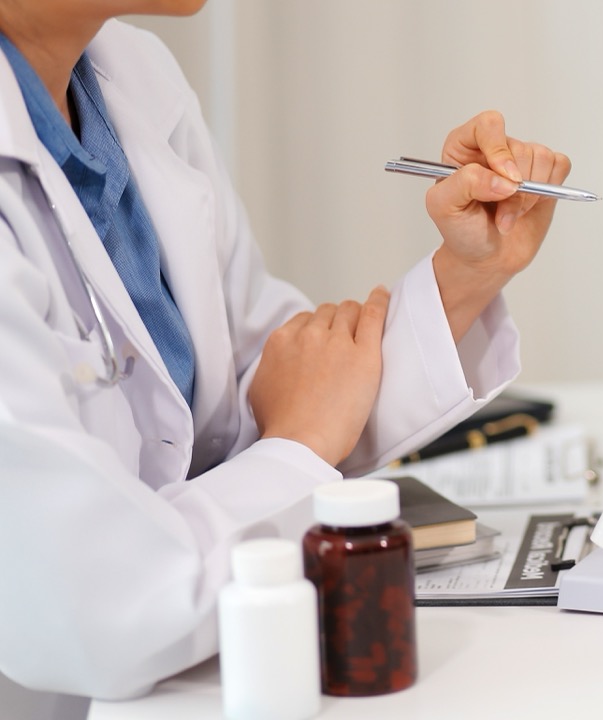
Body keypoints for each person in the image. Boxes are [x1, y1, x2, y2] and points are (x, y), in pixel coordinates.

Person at [0, 0, 572, 709]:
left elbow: (285, 385)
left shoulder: (133, 78)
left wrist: (466, 278)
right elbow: (98, 610)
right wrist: (298, 444)